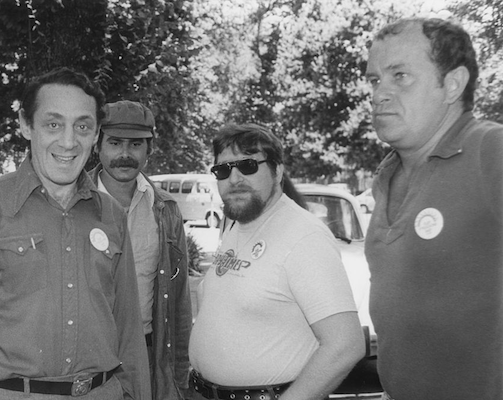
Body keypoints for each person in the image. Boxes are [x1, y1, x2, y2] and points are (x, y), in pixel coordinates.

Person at [0, 68, 150, 400]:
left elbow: (129, 331)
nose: (68, 141)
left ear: (95, 135)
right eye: (53, 124)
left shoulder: (111, 216)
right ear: (26, 125)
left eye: (82, 126)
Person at [364, 17, 503, 400]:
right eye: (374, 80)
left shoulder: (489, 151)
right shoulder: (386, 176)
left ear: (452, 84)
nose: (379, 94)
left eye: (400, 76)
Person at [188, 123, 364, 400]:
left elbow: (346, 345)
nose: (234, 179)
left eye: (247, 165)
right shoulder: (239, 225)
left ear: (277, 170)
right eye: (223, 169)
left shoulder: (304, 236)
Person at [89, 100, 192, 400]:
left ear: (149, 150)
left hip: (149, 357)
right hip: (88, 361)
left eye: (136, 144)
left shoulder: (165, 211)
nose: (124, 154)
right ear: (98, 146)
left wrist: (178, 377)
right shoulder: (72, 206)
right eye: (115, 143)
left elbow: (180, 301)